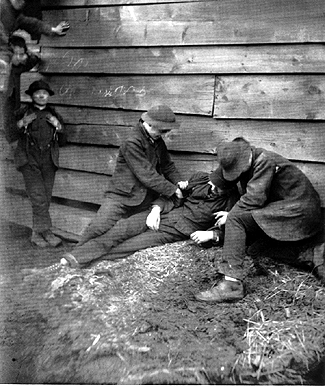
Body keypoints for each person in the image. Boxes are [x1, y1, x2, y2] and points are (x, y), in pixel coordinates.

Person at [195, 137, 324, 303]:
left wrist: (230, 216)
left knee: (236, 219)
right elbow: (226, 174)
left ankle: (231, 285)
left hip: (300, 211)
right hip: (285, 210)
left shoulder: (264, 161)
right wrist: (216, 183)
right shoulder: (249, 159)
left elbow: (254, 200)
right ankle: (310, 254)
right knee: (256, 250)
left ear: (246, 156)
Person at [47, 170, 239, 269]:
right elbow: (173, 196)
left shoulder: (232, 202)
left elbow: (231, 230)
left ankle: (85, 263)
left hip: (174, 231)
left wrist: (211, 235)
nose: (213, 188)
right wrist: (155, 209)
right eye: (213, 183)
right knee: (121, 229)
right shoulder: (200, 179)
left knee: (130, 245)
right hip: (162, 214)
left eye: (219, 187)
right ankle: (74, 257)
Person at [71, 105, 186, 253]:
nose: (163, 134)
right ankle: (75, 255)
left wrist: (179, 182)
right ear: (150, 124)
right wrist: (172, 190)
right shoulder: (132, 141)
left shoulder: (156, 140)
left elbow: (167, 166)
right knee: (98, 227)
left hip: (144, 198)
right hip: (121, 196)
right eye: (162, 130)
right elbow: (146, 174)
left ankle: (96, 258)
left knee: (127, 233)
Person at [14, 79, 67, 248]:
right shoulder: (23, 112)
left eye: (44, 93)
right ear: (32, 96)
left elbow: (64, 140)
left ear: (48, 96)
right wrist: (22, 123)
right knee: (38, 198)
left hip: (48, 161)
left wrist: (58, 126)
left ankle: (37, 233)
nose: (41, 95)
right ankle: (46, 232)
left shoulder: (54, 115)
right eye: (37, 93)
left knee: (45, 197)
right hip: (29, 160)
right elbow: (10, 133)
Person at [0, 0, 69, 92]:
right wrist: (5, 56)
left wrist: (52, 30)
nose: (22, 2)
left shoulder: (14, 14)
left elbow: (32, 23)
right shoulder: (1, 6)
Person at [3, 34, 40, 143]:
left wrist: (27, 54)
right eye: (16, 54)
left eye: (22, 54)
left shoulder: (20, 67)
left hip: (15, 100)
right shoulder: (5, 64)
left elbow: (34, 59)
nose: (19, 58)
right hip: (6, 99)